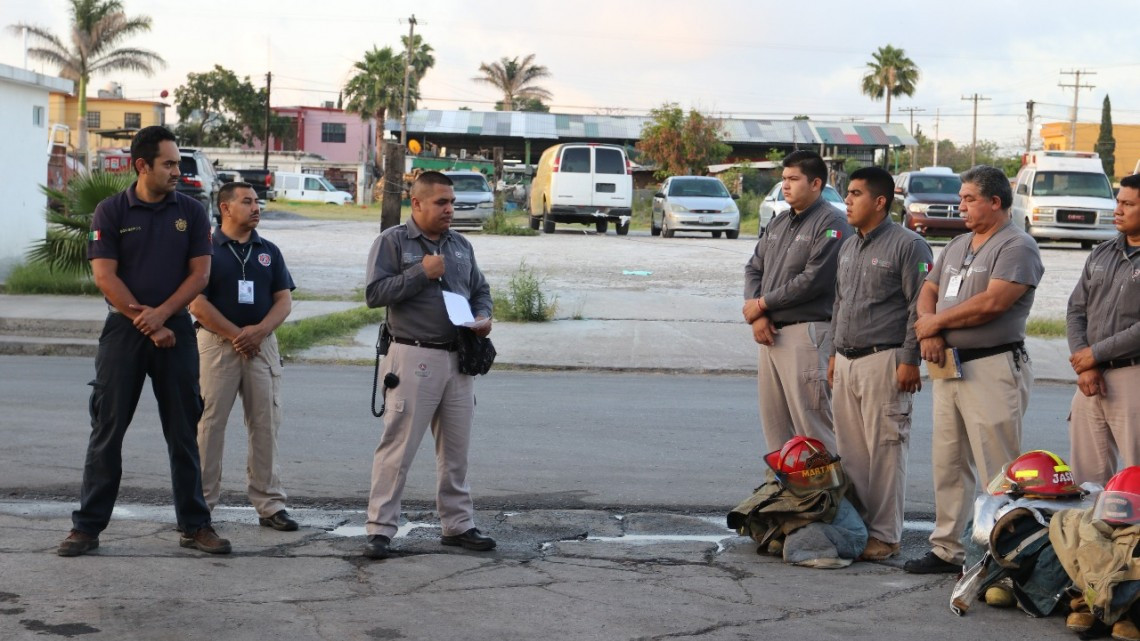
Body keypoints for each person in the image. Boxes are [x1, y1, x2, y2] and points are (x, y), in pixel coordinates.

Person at [59, 126, 230, 556]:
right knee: (108, 430)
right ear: (142, 165)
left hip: (177, 333)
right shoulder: (111, 211)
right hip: (124, 333)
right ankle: (87, 527)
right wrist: (149, 322)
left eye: (177, 163)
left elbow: (200, 275)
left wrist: (163, 315)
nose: (177, 171)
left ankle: (195, 525)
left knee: (184, 433)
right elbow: (105, 276)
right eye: (169, 164)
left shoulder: (191, 212)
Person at [904, 165, 1044, 574]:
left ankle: (1000, 554)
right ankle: (948, 548)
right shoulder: (958, 243)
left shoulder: (1016, 246)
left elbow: (992, 303)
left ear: (995, 202)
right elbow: (928, 290)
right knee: (948, 462)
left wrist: (937, 324)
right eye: (961, 198)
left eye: (969, 199)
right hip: (949, 367)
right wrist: (929, 333)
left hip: (992, 366)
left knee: (997, 469)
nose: (960, 205)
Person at [361, 171, 494, 559]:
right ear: (416, 203)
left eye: (451, 201)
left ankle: (457, 525)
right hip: (412, 354)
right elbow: (374, 294)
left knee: (456, 451)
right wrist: (422, 272)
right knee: (398, 449)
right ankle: (380, 529)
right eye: (441, 202)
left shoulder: (461, 245)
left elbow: (480, 289)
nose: (449, 209)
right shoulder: (393, 242)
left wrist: (483, 316)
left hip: (458, 357)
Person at [828, 166, 932, 561]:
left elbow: (918, 308)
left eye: (855, 194)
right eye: (848, 194)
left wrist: (910, 359)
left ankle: (886, 537)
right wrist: (834, 355)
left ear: (880, 201)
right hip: (847, 360)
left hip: (884, 360)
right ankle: (859, 530)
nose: (848, 202)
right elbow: (839, 304)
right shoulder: (850, 246)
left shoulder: (908, 246)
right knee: (853, 454)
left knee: (886, 449)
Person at [188, 182, 298, 532]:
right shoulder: (204, 249)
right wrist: (237, 334)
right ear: (225, 208)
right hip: (218, 345)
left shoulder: (269, 251)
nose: (256, 207)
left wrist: (259, 332)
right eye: (247, 202)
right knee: (208, 425)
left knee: (266, 424)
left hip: (261, 346)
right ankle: (199, 506)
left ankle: (270, 505)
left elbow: (284, 300)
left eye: (257, 202)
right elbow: (196, 302)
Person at [743, 150, 853, 455]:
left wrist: (762, 305)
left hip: (807, 334)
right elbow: (754, 268)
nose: (786, 186)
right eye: (783, 179)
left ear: (816, 183)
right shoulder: (779, 223)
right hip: (770, 333)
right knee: (775, 425)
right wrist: (758, 314)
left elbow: (812, 280)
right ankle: (786, 494)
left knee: (813, 425)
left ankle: (829, 497)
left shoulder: (832, 223)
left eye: (793, 179)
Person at [1065, 173, 1140, 486]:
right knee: (1088, 482)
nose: (1118, 209)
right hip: (1089, 380)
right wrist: (1086, 364)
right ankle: (1092, 536)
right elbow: (1075, 309)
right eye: (1118, 201)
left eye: (1128, 204)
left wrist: (1093, 354)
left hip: (1132, 375)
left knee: (1135, 478)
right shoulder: (1101, 253)